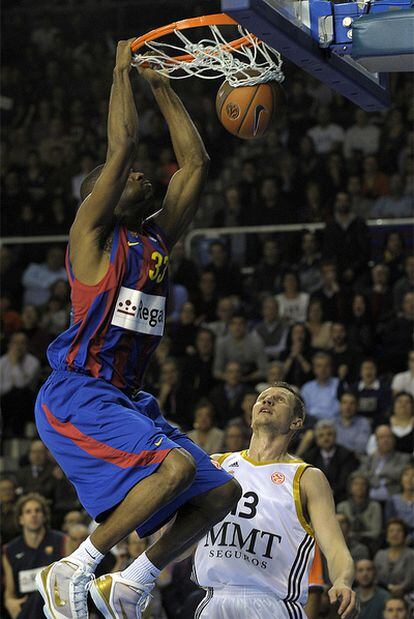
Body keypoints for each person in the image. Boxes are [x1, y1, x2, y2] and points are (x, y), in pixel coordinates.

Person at [34, 42, 240, 619]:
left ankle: (133, 581)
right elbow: (121, 145)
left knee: (220, 492)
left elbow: (196, 165)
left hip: (124, 398)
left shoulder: (154, 241)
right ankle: (74, 567)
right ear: (101, 194)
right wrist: (123, 70)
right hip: (76, 393)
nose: (141, 173)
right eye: (125, 178)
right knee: (172, 468)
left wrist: (161, 81)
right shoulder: (90, 237)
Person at [193, 382, 357, 618]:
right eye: (262, 398)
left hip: (273, 604)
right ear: (251, 417)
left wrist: (342, 580)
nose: (267, 401)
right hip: (214, 600)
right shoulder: (218, 464)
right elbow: (182, 545)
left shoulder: (307, 477)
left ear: (296, 422)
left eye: (279, 400)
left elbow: (335, 549)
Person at [2, 493, 66, 619]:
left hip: (57, 607)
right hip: (26, 609)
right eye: (28, 512)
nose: (34, 515)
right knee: (34, 601)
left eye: (38, 510)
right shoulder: (9, 550)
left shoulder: (62, 541)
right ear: (21, 519)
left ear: (44, 516)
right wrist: (10, 602)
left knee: (39, 597)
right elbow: (9, 593)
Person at [302, 420, 358, 503]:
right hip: (315, 498)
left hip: (340, 498)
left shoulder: (346, 455)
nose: (326, 438)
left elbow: (344, 481)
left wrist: (329, 492)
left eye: (329, 434)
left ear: (335, 437)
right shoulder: (310, 457)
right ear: (317, 440)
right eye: (321, 436)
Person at [359, 426, 410, 504]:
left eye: (389, 437)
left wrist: (376, 474)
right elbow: (362, 475)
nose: (385, 440)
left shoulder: (403, 458)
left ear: (394, 439)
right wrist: (384, 478)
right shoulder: (369, 459)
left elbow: (399, 474)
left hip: (393, 500)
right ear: (376, 440)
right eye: (381, 437)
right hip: (369, 501)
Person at [336, 473, 382, 552]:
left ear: (367, 487)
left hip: (369, 543)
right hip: (346, 542)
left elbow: (376, 532)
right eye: (356, 484)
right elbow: (339, 530)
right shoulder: (342, 506)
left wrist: (357, 535)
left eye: (363, 484)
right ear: (350, 487)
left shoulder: (374, 506)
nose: (359, 487)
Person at [374, 519, 414, 596]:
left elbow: (411, 579)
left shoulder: (411, 555)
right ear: (386, 536)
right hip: (382, 594)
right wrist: (388, 587)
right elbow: (376, 578)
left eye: (399, 531)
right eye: (391, 531)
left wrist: (401, 588)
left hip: (407, 594)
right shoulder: (380, 555)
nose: (395, 534)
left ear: (405, 535)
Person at [301, 352, 340, 422]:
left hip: (334, 422)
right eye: (319, 366)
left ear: (331, 368)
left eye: (326, 366)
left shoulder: (339, 384)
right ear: (314, 369)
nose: (323, 369)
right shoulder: (307, 388)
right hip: (312, 423)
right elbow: (303, 410)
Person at [334, 392, 371, 457]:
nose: (348, 407)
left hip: (355, 460)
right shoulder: (332, 423)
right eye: (344, 403)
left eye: (352, 403)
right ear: (340, 405)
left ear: (357, 406)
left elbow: (361, 448)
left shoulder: (363, 423)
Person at [385, 465, 414, 544]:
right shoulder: (393, 500)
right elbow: (390, 524)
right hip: (398, 539)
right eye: (406, 475)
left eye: (413, 476)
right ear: (401, 478)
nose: (409, 479)